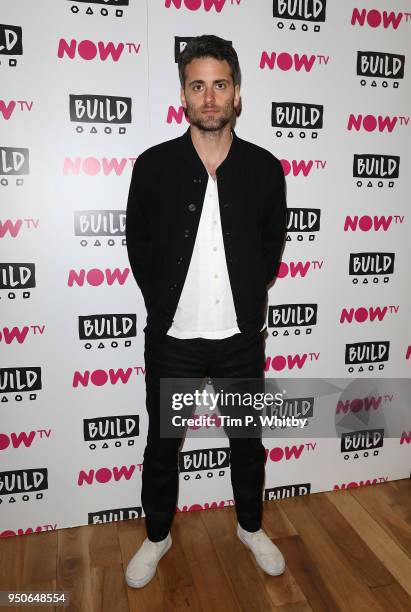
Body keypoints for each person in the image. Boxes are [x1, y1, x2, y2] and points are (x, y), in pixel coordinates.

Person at [124, 35, 287, 589]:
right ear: (184, 96)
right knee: (162, 446)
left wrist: (246, 298)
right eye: (198, 86)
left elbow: (271, 246)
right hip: (173, 339)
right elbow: (138, 244)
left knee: (247, 440)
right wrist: (164, 303)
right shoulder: (152, 166)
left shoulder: (266, 169)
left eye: (220, 85)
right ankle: (157, 536)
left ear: (236, 93)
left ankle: (249, 527)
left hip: (240, 336)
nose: (210, 97)